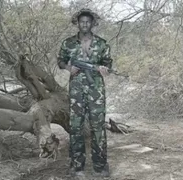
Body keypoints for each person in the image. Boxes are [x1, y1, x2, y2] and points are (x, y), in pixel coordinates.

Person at [56, 8, 113, 178]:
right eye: (82, 22)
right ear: (78, 23)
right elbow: (60, 60)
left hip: (96, 90)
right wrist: (68, 68)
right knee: (75, 127)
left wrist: (104, 70)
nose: (85, 24)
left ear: (92, 23)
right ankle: (76, 166)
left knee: (98, 127)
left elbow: (108, 64)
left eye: (88, 22)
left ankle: (100, 166)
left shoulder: (102, 44)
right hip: (76, 91)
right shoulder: (68, 43)